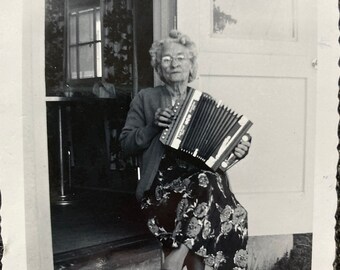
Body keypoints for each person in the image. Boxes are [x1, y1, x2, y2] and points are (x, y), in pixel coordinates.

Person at [119, 30, 251, 270]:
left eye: (181, 57)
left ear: (191, 66)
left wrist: (236, 152)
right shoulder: (146, 98)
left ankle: (178, 256)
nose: (174, 63)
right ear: (159, 68)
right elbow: (126, 145)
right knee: (215, 194)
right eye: (167, 59)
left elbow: (218, 157)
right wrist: (152, 127)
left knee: (233, 209)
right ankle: (183, 257)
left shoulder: (204, 100)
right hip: (162, 189)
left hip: (202, 187)